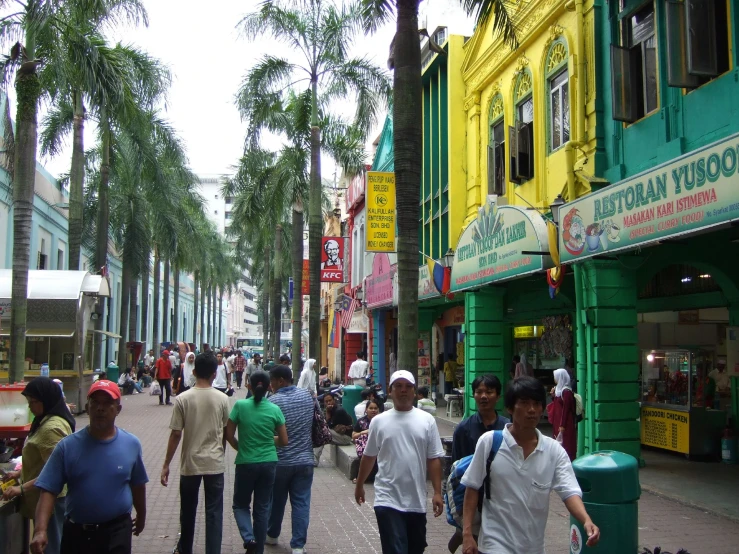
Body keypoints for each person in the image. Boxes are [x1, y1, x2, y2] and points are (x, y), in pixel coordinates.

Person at [460, 377, 599, 554]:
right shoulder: (489, 443)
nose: (532, 410)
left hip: (533, 547)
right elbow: (472, 488)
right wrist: (467, 534)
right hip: (494, 544)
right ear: (510, 408)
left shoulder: (553, 450)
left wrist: (586, 520)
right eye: (524, 403)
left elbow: (569, 491)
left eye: (536, 403)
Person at [31, 380, 148, 554]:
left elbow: (138, 484)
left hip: (117, 532)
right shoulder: (67, 447)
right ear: (87, 407)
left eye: (108, 403)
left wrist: (141, 515)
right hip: (78, 534)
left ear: (118, 409)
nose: (100, 408)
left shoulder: (131, 444)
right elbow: (48, 490)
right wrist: (40, 531)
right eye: (95, 402)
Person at [355, 370, 445, 554]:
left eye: (408, 387)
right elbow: (369, 455)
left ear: (414, 391)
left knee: (415, 548)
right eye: (398, 386)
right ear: (390, 391)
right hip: (387, 497)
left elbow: (434, 458)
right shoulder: (379, 421)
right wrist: (360, 484)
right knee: (396, 549)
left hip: (416, 499)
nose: (403, 390)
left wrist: (437, 492)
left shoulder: (427, 420)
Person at [161, 352, 231, 554]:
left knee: (188, 512)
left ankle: (185, 550)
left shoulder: (183, 399)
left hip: (190, 464)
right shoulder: (222, 399)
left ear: (193, 371)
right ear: (214, 372)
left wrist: (166, 464)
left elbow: (176, 434)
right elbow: (226, 432)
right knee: (214, 513)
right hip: (214, 463)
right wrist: (221, 452)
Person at [1, 378, 75, 554]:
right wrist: (18, 475)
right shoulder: (45, 420)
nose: (30, 407)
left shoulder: (51, 428)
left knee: (51, 546)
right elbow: (44, 462)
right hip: (44, 496)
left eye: (34, 402)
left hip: (52, 500)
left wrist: (21, 489)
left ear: (47, 400)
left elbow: (56, 471)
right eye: (29, 402)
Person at [226, 371, 288, 554]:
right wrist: (269, 441)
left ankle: (248, 537)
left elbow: (228, 435)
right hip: (269, 463)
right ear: (269, 387)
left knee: (240, 505)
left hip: (246, 462)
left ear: (249, 386)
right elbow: (284, 441)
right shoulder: (274, 409)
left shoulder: (240, 406)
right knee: (262, 509)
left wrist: (241, 446)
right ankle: (258, 550)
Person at [447, 375, 510, 553]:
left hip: (500, 497)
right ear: (473, 395)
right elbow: (456, 468)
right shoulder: (463, 429)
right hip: (473, 496)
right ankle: (461, 534)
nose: (483, 396)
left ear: (498, 396)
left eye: (489, 392)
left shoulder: (507, 428)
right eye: (479, 392)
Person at [265, 364, 316, 554]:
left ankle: (272, 534)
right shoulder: (307, 396)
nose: (270, 386)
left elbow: (270, 429)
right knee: (301, 502)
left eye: (272, 381)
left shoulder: (273, 401)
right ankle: (298, 546)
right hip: (305, 459)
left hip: (281, 460)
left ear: (280, 381)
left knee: (276, 500)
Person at [549, 368, 577, 460]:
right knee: (558, 443)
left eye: (556, 377)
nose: (554, 379)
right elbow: (557, 404)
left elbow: (566, 409)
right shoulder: (558, 390)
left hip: (565, 424)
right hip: (558, 421)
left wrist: (562, 425)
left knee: (566, 444)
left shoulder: (566, 392)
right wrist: (553, 395)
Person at [351, 399, 382, 483]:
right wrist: (363, 432)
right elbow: (353, 436)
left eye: (375, 408)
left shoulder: (382, 421)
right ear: (366, 410)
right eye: (371, 408)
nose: (373, 410)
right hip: (365, 446)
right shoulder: (361, 422)